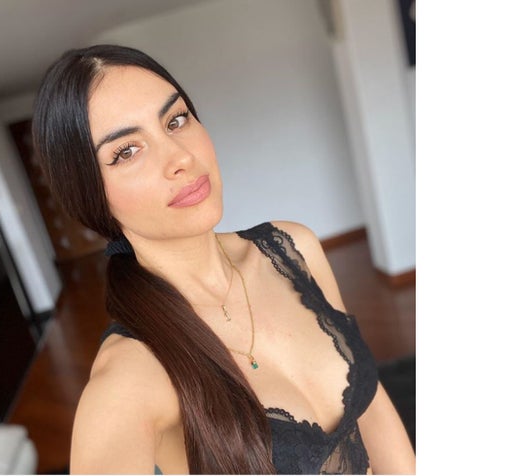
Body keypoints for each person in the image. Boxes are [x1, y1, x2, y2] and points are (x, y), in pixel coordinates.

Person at [32, 44, 416, 475]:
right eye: (126, 151)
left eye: (176, 120)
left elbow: (372, 407)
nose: (180, 158)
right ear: (89, 194)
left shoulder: (294, 249)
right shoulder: (130, 374)